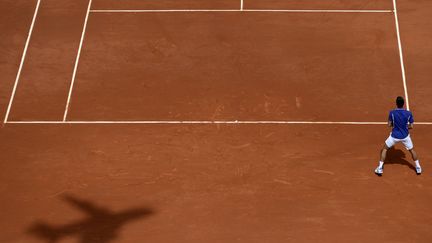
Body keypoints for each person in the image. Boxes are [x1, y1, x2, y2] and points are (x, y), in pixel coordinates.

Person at [375, 96, 421, 176]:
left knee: (384, 149)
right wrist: (405, 127)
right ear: (403, 104)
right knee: (411, 150)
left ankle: (380, 168)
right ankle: (418, 167)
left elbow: (389, 125)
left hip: (394, 136)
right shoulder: (408, 113)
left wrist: (395, 125)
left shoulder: (392, 113)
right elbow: (411, 126)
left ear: (396, 104)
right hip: (405, 136)